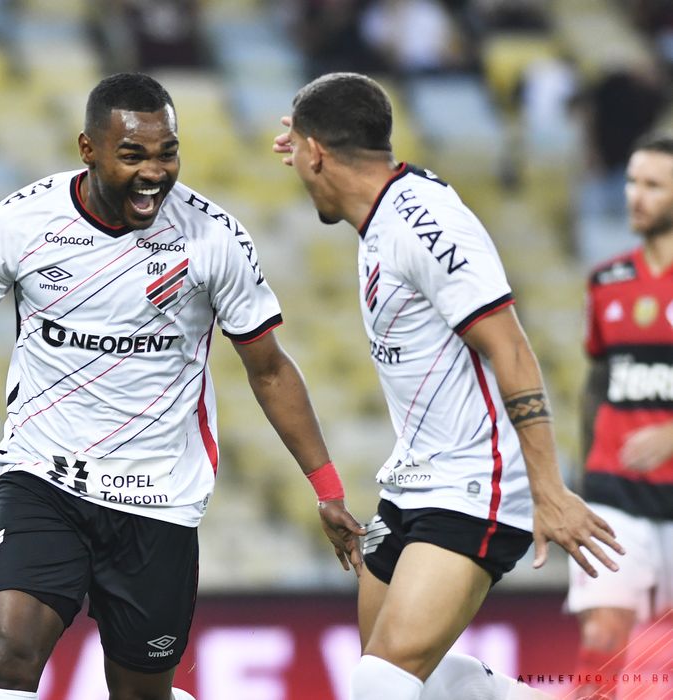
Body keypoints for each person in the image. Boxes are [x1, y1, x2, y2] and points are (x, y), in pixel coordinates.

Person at [0, 72, 365, 699]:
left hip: (156, 498)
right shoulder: (21, 223)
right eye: (133, 155)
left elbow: (268, 368)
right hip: (43, 477)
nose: (154, 171)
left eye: (167, 152)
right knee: (8, 654)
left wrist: (325, 487)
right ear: (88, 149)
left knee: (139, 693)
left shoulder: (212, 239)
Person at [272, 72, 624, 700]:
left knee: (378, 682)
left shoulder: (425, 224)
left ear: (318, 153)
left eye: (299, 151)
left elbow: (511, 348)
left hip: (477, 483)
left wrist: (548, 488)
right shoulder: (380, 207)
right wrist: (308, 138)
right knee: (415, 678)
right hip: (413, 481)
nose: (295, 165)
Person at [566, 132, 673, 700]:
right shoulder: (607, 282)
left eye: (653, 186)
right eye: (633, 181)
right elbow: (597, 386)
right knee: (602, 637)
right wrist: (585, 480)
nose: (635, 196)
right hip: (614, 494)